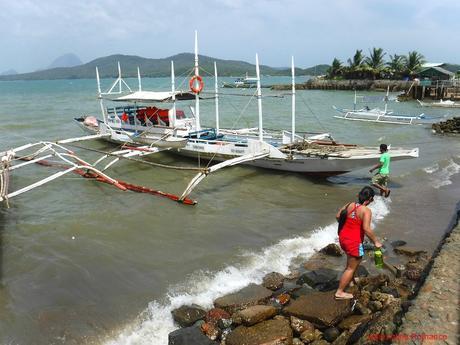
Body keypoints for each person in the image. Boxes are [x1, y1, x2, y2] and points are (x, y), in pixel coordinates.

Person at [335, 186, 382, 300]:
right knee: (351, 267)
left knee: (352, 261)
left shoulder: (348, 204)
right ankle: (340, 292)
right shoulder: (366, 210)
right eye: (372, 199)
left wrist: (349, 226)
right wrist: (376, 241)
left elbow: (338, 216)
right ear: (370, 198)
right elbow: (366, 229)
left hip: (343, 238)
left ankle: (350, 282)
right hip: (354, 242)